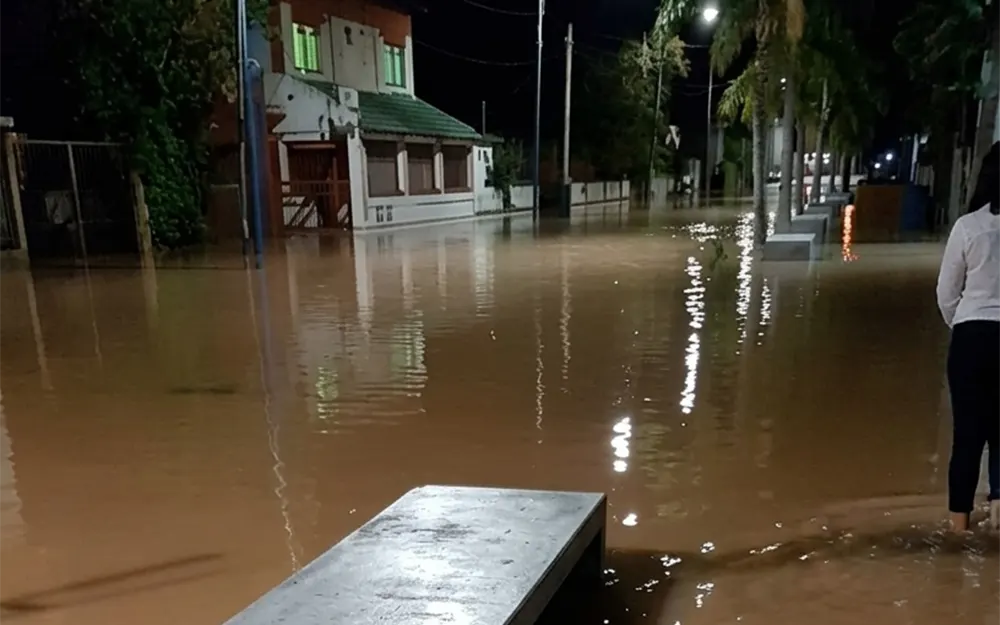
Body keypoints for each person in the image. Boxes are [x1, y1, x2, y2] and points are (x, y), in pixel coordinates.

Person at [936, 141, 1000, 532]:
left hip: (971, 336)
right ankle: (998, 519)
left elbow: (946, 291)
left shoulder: (968, 227)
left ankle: (958, 528)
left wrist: (962, 324)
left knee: (967, 435)